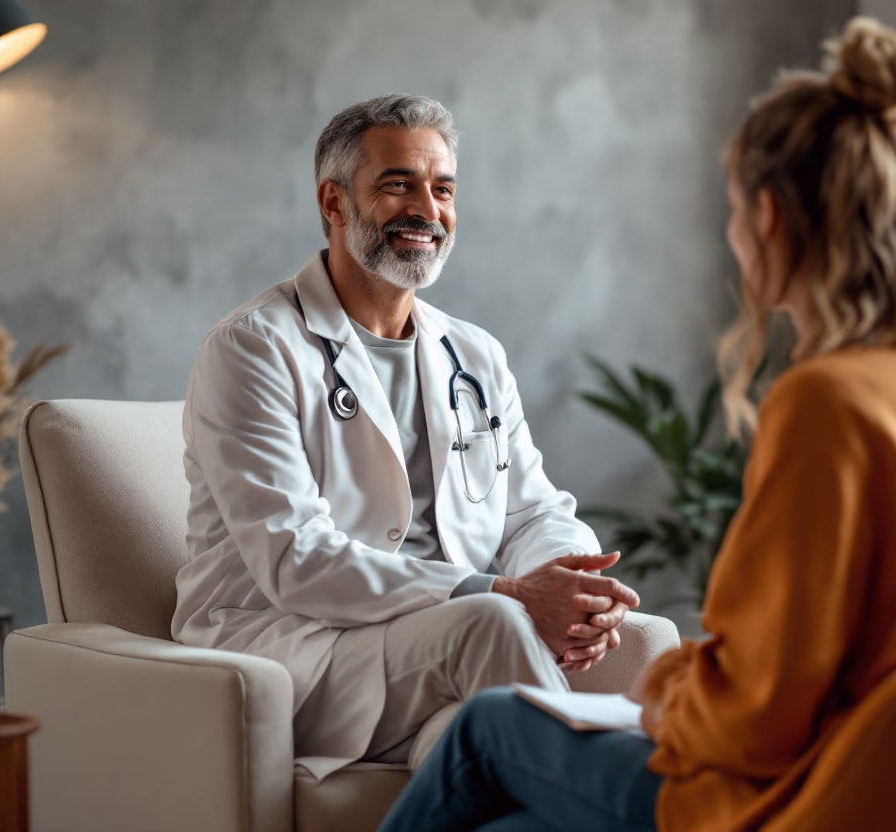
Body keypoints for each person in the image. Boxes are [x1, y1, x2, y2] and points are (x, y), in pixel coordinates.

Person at [376, 17, 896, 832]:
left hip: (808, 794)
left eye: (733, 209)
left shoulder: (826, 402)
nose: (733, 234)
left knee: (490, 726)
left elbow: (757, 710)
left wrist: (664, 685)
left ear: (768, 216)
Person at [171, 94, 641, 770]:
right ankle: (624, 800)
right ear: (333, 202)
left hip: (432, 652)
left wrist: (575, 585)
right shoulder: (252, 348)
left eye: (442, 189)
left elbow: (532, 511)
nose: (426, 209)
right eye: (398, 185)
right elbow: (296, 558)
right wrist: (503, 593)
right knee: (492, 624)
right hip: (295, 648)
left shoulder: (473, 354)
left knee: (473, 747)